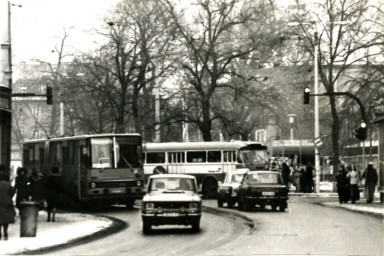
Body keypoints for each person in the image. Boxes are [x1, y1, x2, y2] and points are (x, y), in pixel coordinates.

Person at [0, 165, 15, 240]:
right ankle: (5, 232)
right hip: (7, 202)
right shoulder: (8, 184)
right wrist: (9, 197)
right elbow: (12, 192)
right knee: (6, 219)